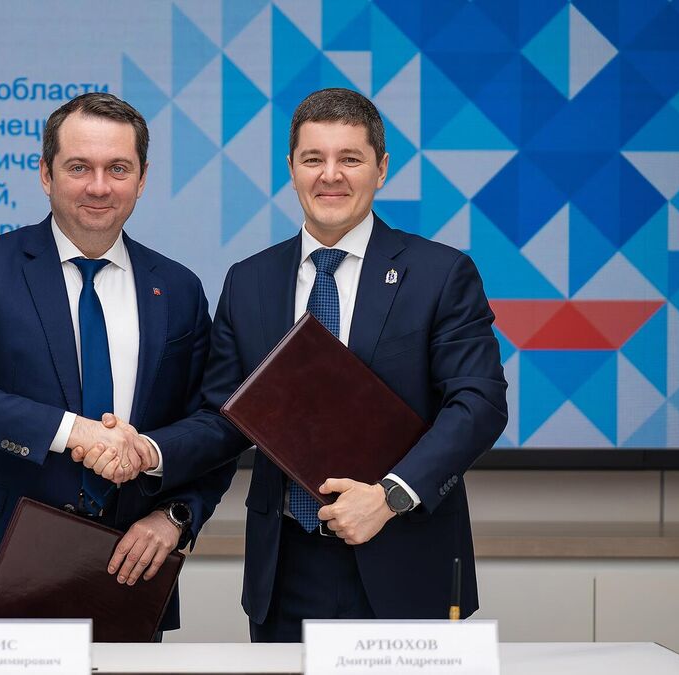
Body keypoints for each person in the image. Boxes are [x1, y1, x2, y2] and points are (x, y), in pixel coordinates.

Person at [77, 88, 508, 642]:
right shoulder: (250, 281)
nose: (330, 175)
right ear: (292, 168)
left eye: (350, 159)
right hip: (285, 570)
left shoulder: (440, 274)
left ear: (381, 169)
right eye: (313, 159)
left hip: (404, 554)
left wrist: (391, 496)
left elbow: (478, 404)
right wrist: (151, 451)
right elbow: (223, 416)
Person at [0, 92, 235, 633]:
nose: (99, 186)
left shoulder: (178, 288)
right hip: (1, 561)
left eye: (118, 169)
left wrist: (175, 515)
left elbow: (216, 425)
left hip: (130, 567)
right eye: (79, 167)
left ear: (142, 178)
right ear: (46, 173)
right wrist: (74, 431)